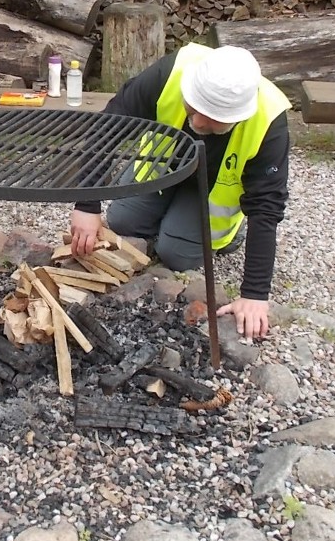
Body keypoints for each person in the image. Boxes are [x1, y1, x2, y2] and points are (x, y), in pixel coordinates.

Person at [70, 44, 291, 340]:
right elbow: (107, 128)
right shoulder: (170, 73)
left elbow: (267, 207)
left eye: (214, 120)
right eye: (194, 108)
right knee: (122, 221)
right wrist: (87, 204)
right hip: (165, 165)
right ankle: (168, 212)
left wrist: (254, 294)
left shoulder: (269, 121)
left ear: (239, 115)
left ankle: (229, 234)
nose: (198, 123)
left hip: (212, 190)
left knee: (175, 253)